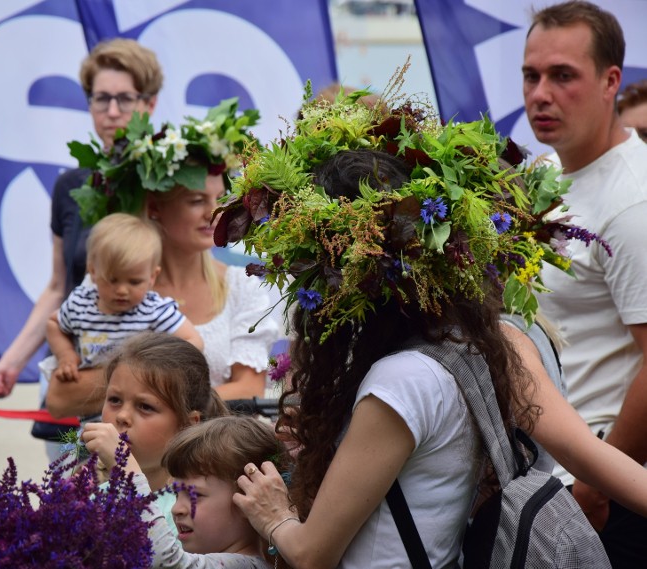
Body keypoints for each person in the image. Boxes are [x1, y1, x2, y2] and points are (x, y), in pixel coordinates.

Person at [206, 89, 615, 567]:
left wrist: (272, 513)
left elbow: (313, 552)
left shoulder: (401, 382)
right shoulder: (460, 350)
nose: (299, 281)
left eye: (305, 262)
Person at [45, 98, 278, 419]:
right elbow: (59, 399)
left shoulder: (243, 289)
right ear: (155, 207)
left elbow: (249, 391)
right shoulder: (109, 283)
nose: (214, 213)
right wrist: (165, 394)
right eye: (196, 200)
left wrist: (148, 403)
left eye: (220, 199)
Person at [522, 2, 647, 565]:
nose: (541, 93)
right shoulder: (543, 174)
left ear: (610, 81)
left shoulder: (633, 199)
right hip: (548, 482)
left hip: (606, 496)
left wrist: (598, 486)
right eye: (532, 75)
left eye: (562, 75)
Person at [0, 38, 163, 405]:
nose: (112, 111)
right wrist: (12, 363)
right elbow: (58, 288)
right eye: (100, 98)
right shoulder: (71, 186)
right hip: (75, 376)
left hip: (149, 386)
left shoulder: (167, 185)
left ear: (149, 103)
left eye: (125, 99)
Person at [79, 333, 228, 531]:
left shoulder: (193, 509)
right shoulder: (92, 491)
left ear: (188, 424)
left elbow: (163, 556)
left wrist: (123, 468)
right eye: (115, 400)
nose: (122, 416)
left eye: (145, 406)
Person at [87, 415, 278, 568]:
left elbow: (165, 560)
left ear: (248, 502)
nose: (176, 509)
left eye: (195, 495)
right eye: (177, 494)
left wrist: (125, 469)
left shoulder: (248, 565)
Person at [44, 213, 203, 383]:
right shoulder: (80, 304)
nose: (121, 290)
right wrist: (66, 355)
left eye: (134, 282)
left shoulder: (153, 309)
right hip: (87, 399)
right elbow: (53, 324)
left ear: (152, 277)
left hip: (136, 399)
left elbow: (194, 340)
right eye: (112, 279)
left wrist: (160, 365)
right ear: (93, 272)